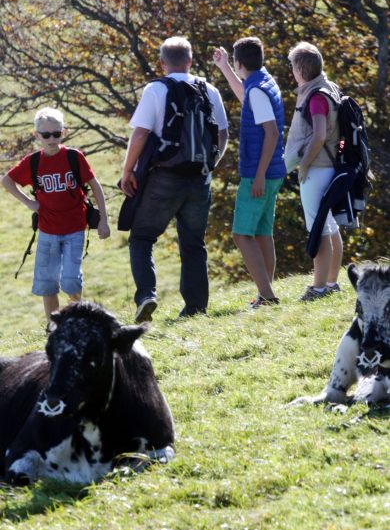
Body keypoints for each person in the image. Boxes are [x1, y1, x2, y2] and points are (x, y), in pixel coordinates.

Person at [120, 36, 229, 323]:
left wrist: (127, 171)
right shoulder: (209, 89)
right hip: (199, 178)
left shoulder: (156, 89)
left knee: (142, 237)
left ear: (162, 62)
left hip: (164, 177)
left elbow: (141, 133)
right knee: (194, 244)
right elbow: (223, 133)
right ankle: (195, 307)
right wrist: (210, 164)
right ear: (190, 60)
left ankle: (147, 295)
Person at [2, 107, 111, 319]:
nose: (52, 139)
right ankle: (53, 326)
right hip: (48, 231)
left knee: (71, 280)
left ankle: (75, 321)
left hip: (75, 229)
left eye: (56, 133)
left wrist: (103, 221)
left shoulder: (74, 157)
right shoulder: (33, 162)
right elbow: (6, 181)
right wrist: (29, 203)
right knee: (47, 283)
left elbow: (95, 186)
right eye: (46, 135)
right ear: (37, 135)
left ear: (64, 132)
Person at [213, 37, 286, 308]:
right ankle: (265, 293)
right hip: (271, 171)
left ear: (240, 62)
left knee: (242, 234)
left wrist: (258, 176)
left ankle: (267, 295)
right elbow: (245, 95)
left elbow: (272, 132)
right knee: (262, 233)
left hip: (260, 173)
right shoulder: (263, 82)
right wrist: (224, 68)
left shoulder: (258, 90)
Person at [285, 42, 343, 301]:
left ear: (299, 68)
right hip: (330, 166)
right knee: (329, 226)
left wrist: (305, 163)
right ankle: (331, 283)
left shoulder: (316, 96)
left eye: (292, 66)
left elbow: (318, 135)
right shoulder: (329, 87)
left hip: (317, 168)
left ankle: (318, 288)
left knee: (318, 227)